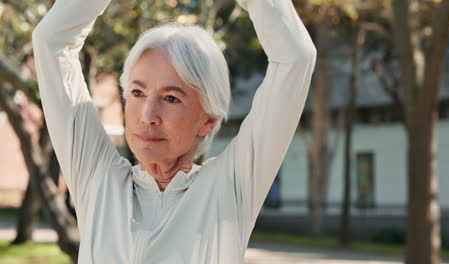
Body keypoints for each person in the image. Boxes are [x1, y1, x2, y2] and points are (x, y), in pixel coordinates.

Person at [32, 0, 316, 262]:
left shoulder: (230, 188)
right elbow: (51, 43)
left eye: (171, 98)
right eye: (138, 92)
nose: (147, 116)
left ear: (208, 121)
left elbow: (295, 57)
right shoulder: (98, 180)